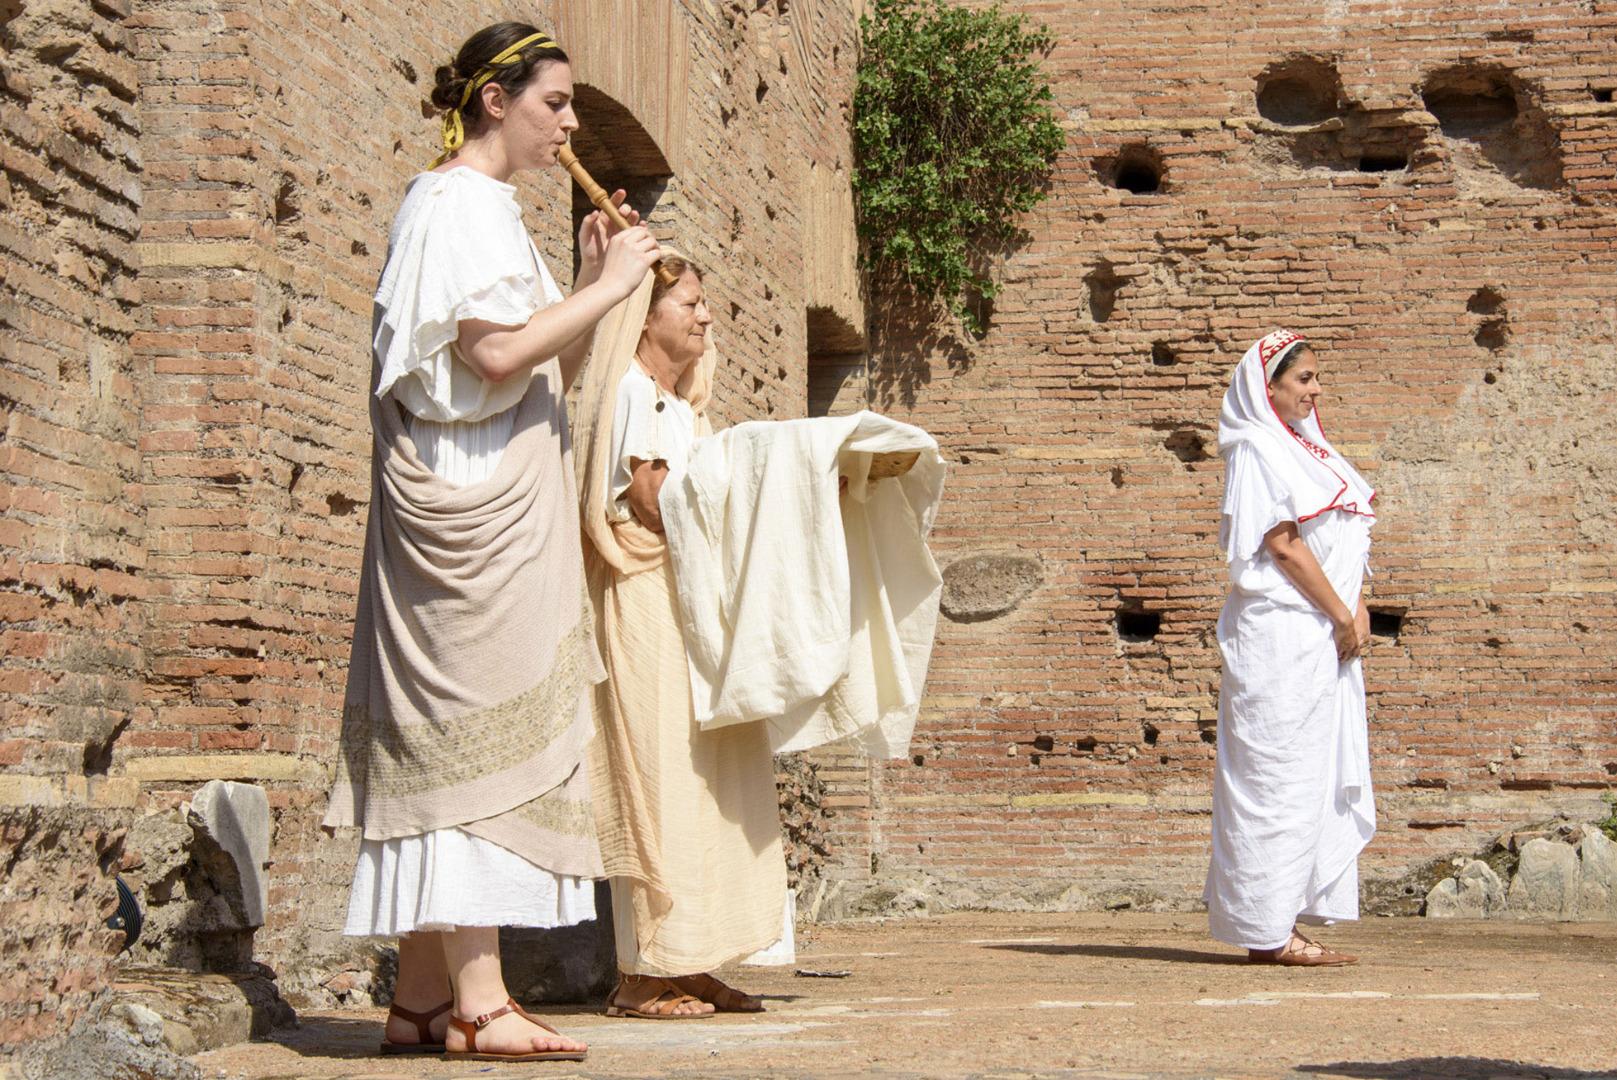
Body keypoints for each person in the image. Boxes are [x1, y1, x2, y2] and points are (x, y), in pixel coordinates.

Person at [322, 22, 661, 1061]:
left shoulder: (493, 212)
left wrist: (589, 292)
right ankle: (482, 997)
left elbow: (519, 368)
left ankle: (424, 998)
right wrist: (604, 293)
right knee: (474, 738)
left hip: (504, 493)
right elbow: (497, 352)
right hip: (465, 516)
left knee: (468, 733)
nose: (567, 125)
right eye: (552, 103)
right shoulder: (453, 203)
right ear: (492, 103)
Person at [571, 254, 785, 1019]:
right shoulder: (634, 393)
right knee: (655, 776)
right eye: (690, 304)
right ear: (647, 314)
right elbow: (654, 501)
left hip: (689, 600)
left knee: (705, 779)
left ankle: (691, 961)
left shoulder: (678, 403)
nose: (703, 318)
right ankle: (642, 973)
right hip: (647, 596)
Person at [1204, 329, 1378, 967]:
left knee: (1311, 775)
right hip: (1282, 635)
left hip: (1324, 634)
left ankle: (1284, 919)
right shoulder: (1255, 447)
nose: (1315, 389)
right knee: (1273, 778)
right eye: (1303, 379)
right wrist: (1341, 612)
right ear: (1267, 386)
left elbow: (1340, 537)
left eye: (1315, 377)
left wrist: (1355, 607)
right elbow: (1281, 544)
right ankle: (1266, 930)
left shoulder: (1310, 450)